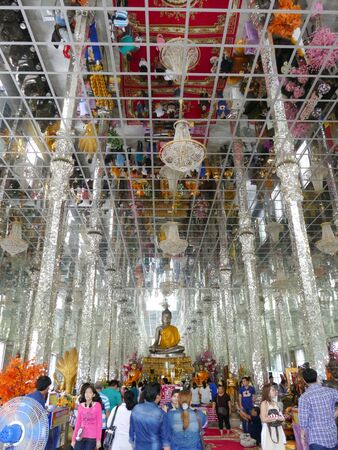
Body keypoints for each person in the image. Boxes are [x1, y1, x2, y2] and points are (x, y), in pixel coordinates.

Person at [298, 367, 338, 450]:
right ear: (316, 377)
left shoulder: (304, 398)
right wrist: (335, 413)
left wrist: (302, 439)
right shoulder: (331, 391)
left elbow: (303, 422)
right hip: (333, 437)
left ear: (304, 381)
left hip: (316, 439)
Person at [129, 382, 170, 450]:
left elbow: (131, 435)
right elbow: (166, 443)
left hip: (139, 447)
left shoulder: (136, 409)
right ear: (157, 396)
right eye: (161, 393)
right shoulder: (161, 414)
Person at [71, 384, 103, 450]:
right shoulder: (81, 406)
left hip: (92, 437)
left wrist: (98, 440)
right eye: (86, 392)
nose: (87, 394)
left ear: (93, 395)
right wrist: (73, 439)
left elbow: (99, 424)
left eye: (90, 392)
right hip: (80, 435)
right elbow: (77, 423)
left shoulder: (97, 405)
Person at [260, 383, 286, 450]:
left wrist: (278, 418)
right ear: (267, 392)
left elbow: (282, 417)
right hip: (269, 430)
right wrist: (276, 417)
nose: (276, 391)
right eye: (273, 390)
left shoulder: (275, 403)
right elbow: (263, 419)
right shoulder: (264, 403)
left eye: (275, 390)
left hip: (278, 429)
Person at [94, 382, 110, 449]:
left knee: (92, 442)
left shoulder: (91, 397)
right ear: (102, 388)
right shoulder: (105, 398)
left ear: (94, 388)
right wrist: (108, 424)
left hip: (92, 424)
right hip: (102, 424)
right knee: (100, 442)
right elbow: (107, 412)